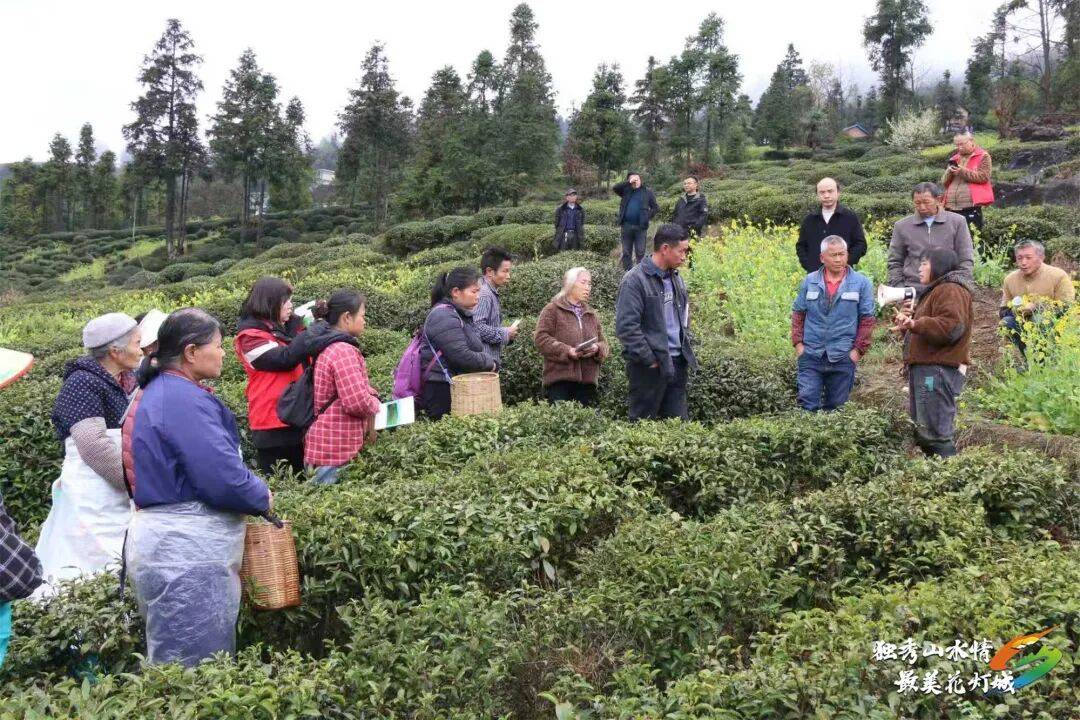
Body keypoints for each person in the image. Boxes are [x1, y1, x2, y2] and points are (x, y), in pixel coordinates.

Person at [124, 308, 271, 667]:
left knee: (184, 662)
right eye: (218, 346)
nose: (223, 354)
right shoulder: (180, 399)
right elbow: (220, 476)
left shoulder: (166, 391)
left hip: (175, 545)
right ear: (191, 352)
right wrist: (260, 495)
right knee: (197, 667)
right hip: (185, 553)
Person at [33, 313, 141, 598]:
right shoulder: (82, 383)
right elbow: (93, 445)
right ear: (115, 352)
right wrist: (135, 484)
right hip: (96, 491)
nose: (141, 350)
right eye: (137, 343)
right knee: (92, 558)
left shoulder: (127, 378)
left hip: (122, 482)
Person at [891, 249, 974, 458]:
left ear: (939, 265)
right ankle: (936, 480)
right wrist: (909, 325)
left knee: (936, 431)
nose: (919, 268)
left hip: (935, 372)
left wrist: (916, 323)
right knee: (925, 429)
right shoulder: (938, 290)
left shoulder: (950, 289)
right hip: (929, 369)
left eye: (925, 263)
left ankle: (948, 480)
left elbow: (951, 327)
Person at [615, 223, 698, 420]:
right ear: (665, 249)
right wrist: (649, 359)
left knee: (678, 426)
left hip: (677, 362)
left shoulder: (676, 277)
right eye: (682, 251)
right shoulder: (634, 280)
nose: (684, 256)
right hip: (649, 367)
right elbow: (626, 327)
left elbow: (683, 318)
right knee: (643, 424)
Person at [234, 277, 311, 475]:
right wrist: (306, 334)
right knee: (282, 482)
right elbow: (283, 359)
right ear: (270, 303)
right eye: (286, 301)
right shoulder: (249, 336)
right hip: (272, 421)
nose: (290, 306)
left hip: (297, 414)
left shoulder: (283, 329)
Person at [303, 290, 381, 485]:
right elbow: (356, 402)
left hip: (327, 448)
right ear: (347, 317)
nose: (364, 321)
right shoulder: (342, 350)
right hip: (334, 452)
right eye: (362, 316)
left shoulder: (331, 345)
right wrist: (376, 403)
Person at [791, 236, 876, 411]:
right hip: (811, 354)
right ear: (822, 258)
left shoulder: (861, 283)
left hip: (843, 355)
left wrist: (857, 352)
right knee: (807, 405)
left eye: (842, 254)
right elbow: (798, 313)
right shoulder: (810, 281)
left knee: (837, 409)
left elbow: (867, 320)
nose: (838, 259)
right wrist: (799, 345)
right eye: (833, 255)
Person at [419, 267, 497, 420]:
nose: (478, 296)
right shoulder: (444, 316)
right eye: (474, 292)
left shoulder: (457, 313)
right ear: (456, 292)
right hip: (441, 390)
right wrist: (490, 363)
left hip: (452, 385)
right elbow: (462, 356)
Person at [533, 267, 610, 406]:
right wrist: (567, 351)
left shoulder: (591, 314)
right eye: (583, 282)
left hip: (587, 384)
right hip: (560, 382)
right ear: (570, 284)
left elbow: (604, 344)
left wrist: (596, 348)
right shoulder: (552, 310)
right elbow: (541, 338)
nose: (588, 287)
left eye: (589, 283)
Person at [887, 182, 974, 297]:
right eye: (917, 203)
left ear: (938, 200)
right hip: (913, 289)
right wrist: (901, 291)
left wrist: (960, 286)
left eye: (926, 202)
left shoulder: (957, 222)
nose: (922, 207)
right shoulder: (902, 226)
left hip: (948, 289)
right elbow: (895, 262)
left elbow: (965, 259)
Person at [1000, 240, 1076, 356]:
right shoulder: (1010, 279)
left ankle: (1049, 357)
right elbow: (1003, 310)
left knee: (1038, 320)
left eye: (1028, 257)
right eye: (1019, 258)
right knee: (1007, 322)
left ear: (1041, 257)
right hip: (1023, 323)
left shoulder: (1058, 275)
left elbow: (1067, 306)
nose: (1023, 262)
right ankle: (1029, 358)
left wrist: (1037, 307)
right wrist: (1017, 310)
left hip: (1055, 325)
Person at [796, 177, 868, 273]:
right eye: (822, 192)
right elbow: (801, 246)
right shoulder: (809, 219)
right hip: (815, 276)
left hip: (844, 276)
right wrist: (809, 266)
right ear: (817, 194)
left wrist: (845, 263)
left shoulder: (850, 217)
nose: (826, 195)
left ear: (838, 193)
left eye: (830, 191)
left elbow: (860, 244)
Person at [473, 247, 519, 367]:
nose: (508, 276)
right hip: (483, 363)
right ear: (489, 272)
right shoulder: (484, 294)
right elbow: (477, 327)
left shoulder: (488, 291)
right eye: (505, 271)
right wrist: (505, 332)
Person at [942, 132, 993, 232]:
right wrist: (949, 171)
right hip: (950, 206)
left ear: (971, 141)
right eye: (957, 145)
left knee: (970, 240)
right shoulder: (954, 158)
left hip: (970, 206)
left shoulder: (983, 156)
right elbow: (944, 182)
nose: (959, 147)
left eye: (962, 144)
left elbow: (984, 177)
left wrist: (961, 171)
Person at [613, 172, 659, 271]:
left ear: (640, 180)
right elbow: (615, 188)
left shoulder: (647, 192)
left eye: (637, 179)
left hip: (641, 227)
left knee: (640, 252)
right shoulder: (626, 191)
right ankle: (627, 273)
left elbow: (655, 208)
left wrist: (647, 216)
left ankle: (640, 273)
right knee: (626, 252)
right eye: (633, 179)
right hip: (626, 226)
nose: (636, 181)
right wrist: (628, 183)